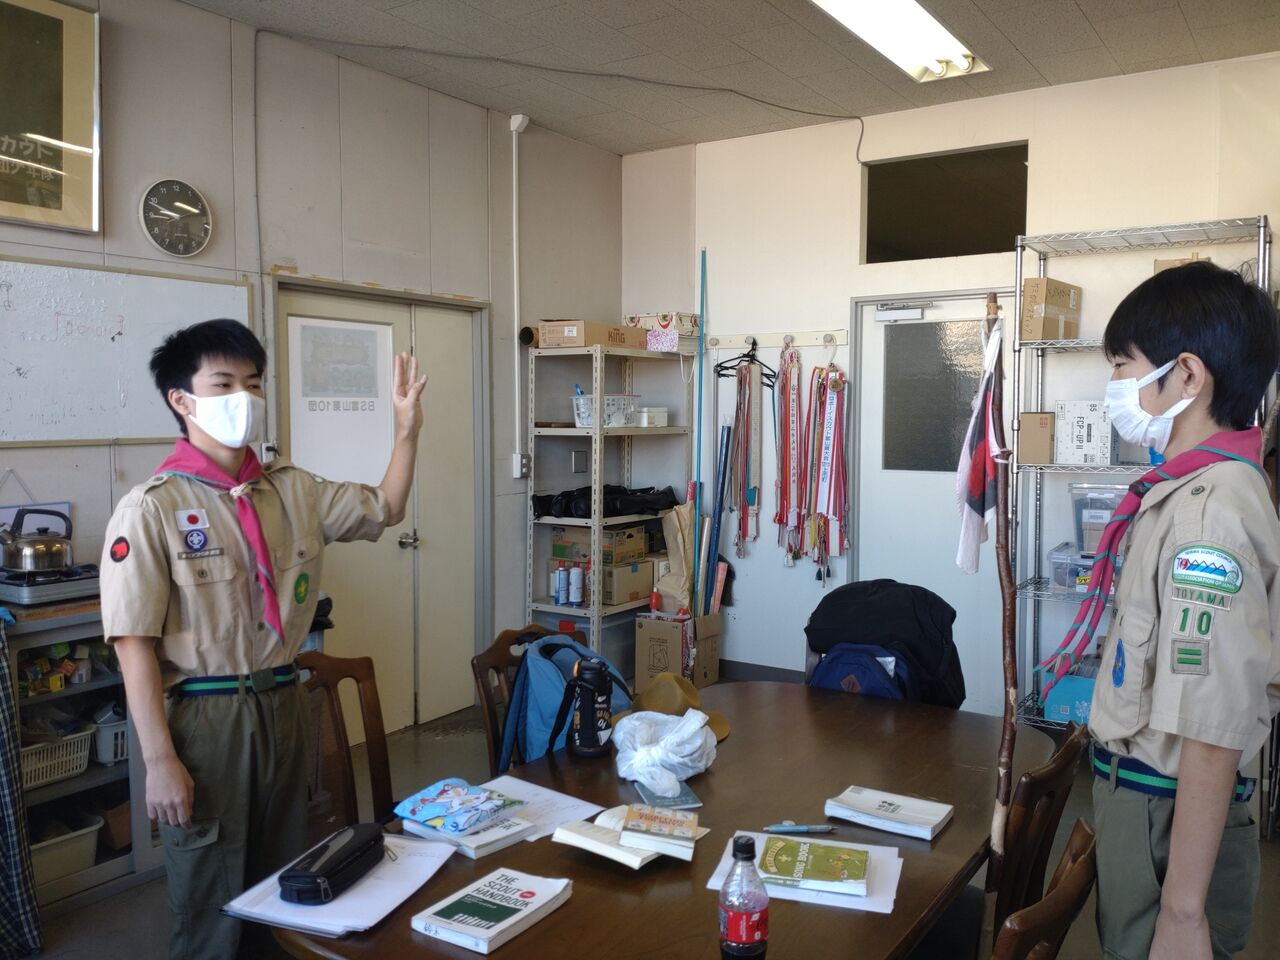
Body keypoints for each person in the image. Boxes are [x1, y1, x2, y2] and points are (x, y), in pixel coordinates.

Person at [100, 319, 425, 960]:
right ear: (181, 400)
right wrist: (160, 761)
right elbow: (132, 643)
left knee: (290, 881)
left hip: (284, 702)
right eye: (223, 384)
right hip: (207, 719)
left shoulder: (292, 490)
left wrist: (407, 428)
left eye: (253, 383)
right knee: (211, 893)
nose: (243, 398)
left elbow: (386, 508)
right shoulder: (152, 508)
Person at [1083, 262, 1280, 960]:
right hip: (1148, 810)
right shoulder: (1191, 490)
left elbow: (1213, 722)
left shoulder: (1208, 514)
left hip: (1167, 823)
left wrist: (1183, 912)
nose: (1114, 385)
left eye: (1123, 367)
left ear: (1188, 375)